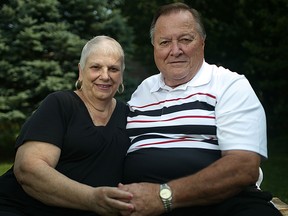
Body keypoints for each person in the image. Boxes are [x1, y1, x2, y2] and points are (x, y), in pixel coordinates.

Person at [120, 3, 282, 216]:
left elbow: (243, 167)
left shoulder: (229, 84)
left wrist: (163, 196)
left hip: (223, 205)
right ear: (154, 47)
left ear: (202, 43)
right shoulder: (143, 91)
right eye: (165, 42)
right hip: (142, 208)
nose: (175, 50)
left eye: (185, 40)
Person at [0, 35, 134, 216]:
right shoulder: (61, 104)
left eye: (113, 69)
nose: (105, 76)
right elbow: (28, 169)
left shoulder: (129, 116)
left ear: (121, 75)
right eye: (95, 67)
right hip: (19, 209)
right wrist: (91, 198)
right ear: (81, 71)